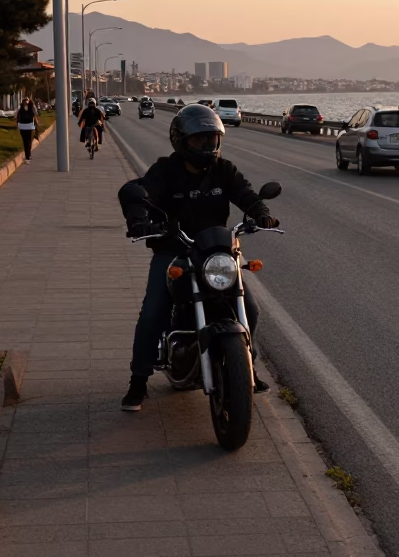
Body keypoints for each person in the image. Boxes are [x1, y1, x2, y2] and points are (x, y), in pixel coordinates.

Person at [117, 103, 280, 411]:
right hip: (174, 250)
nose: (207, 146)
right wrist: (139, 219)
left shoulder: (224, 169)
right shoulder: (165, 170)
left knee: (250, 309)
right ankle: (138, 380)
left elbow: (245, 193)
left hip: (215, 251)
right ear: (181, 141)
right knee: (153, 312)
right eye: (199, 139)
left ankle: (246, 367)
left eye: (211, 139)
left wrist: (261, 212)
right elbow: (143, 194)